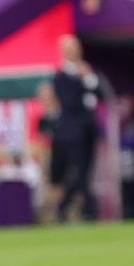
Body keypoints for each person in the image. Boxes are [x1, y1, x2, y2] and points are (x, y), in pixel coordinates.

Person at [52, 35, 102, 221]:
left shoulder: (88, 73)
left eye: (77, 47)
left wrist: (87, 77)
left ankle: (63, 207)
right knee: (79, 171)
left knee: (85, 172)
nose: (75, 51)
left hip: (89, 130)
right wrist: (84, 90)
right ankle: (91, 211)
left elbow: (100, 94)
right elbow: (70, 103)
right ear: (64, 52)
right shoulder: (60, 77)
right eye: (71, 48)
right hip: (73, 133)